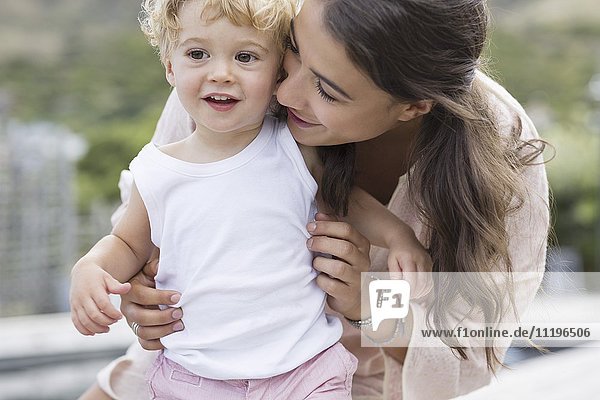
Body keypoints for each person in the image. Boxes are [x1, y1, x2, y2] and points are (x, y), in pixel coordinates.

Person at [80, 0, 550, 399]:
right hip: (206, 361)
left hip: (351, 380)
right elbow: (143, 236)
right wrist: (140, 295)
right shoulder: (231, 76)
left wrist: (369, 303)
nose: (283, 93)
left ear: (413, 106)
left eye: (326, 89)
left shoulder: (502, 152)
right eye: (293, 54)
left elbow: (468, 353)